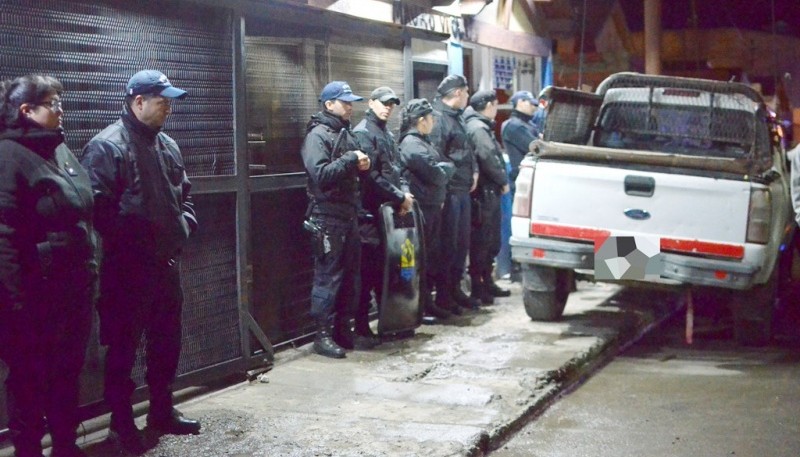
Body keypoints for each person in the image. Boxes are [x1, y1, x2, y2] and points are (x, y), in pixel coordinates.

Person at [81, 70, 201, 454]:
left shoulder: (167, 144)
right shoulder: (106, 146)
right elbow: (97, 210)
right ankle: (121, 423)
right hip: (128, 272)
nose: (168, 106)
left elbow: (185, 194)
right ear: (138, 102)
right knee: (123, 350)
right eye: (162, 99)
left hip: (166, 267)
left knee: (166, 344)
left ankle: (161, 412)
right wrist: (137, 242)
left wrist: (183, 226)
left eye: (169, 100)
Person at [0, 75, 98, 457]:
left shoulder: (57, 149)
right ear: (27, 110)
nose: (61, 110)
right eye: (54, 103)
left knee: (65, 373)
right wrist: (16, 305)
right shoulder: (8, 157)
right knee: (28, 379)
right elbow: (4, 237)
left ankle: (65, 445)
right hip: (35, 298)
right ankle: (28, 450)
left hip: (73, 289)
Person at [301, 81, 371, 358]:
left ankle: (343, 330)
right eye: (344, 102)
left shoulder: (345, 133)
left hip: (348, 215)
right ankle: (322, 335)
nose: (350, 106)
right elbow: (321, 175)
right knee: (328, 277)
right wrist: (351, 159)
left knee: (350, 277)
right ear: (329, 104)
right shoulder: (317, 135)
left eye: (351, 102)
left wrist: (361, 165)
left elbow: (352, 171)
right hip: (327, 217)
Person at [353, 86, 414, 346]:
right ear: (371, 103)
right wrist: (400, 197)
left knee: (386, 270)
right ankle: (362, 326)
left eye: (392, 104)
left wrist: (404, 195)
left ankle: (389, 322)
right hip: (369, 215)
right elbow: (371, 177)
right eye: (384, 103)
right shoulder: (363, 133)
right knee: (367, 273)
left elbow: (397, 170)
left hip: (388, 214)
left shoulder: (386, 133)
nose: (388, 107)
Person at [396, 99, 455, 321]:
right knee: (421, 259)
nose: (433, 123)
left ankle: (427, 304)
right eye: (430, 118)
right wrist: (446, 170)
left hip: (431, 207)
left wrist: (444, 169)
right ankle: (420, 308)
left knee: (431, 257)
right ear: (422, 121)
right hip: (421, 209)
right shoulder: (412, 144)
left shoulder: (422, 142)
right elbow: (435, 172)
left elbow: (441, 166)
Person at [428, 75, 481, 314]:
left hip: (462, 191)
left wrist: (475, 172)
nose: (468, 97)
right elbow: (437, 158)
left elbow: (467, 151)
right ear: (458, 93)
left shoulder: (457, 118)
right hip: (450, 193)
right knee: (447, 246)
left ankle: (455, 289)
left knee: (461, 244)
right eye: (467, 92)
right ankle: (443, 294)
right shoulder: (439, 120)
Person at [463, 90, 511, 305]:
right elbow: (488, 157)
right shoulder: (478, 128)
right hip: (484, 193)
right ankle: (479, 286)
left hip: (487, 191)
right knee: (483, 241)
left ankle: (486, 282)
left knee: (490, 241)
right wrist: (502, 180)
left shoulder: (479, 126)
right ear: (489, 105)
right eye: (495, 104)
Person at [500, 90, 539, 282]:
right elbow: (536, 147)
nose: (534, 107)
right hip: (522, 182)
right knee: (521, 228)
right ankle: (517, 269)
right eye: (530, 103)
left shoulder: (526, 124)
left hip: (531, 181)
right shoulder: (514, 126)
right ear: (519, 103)